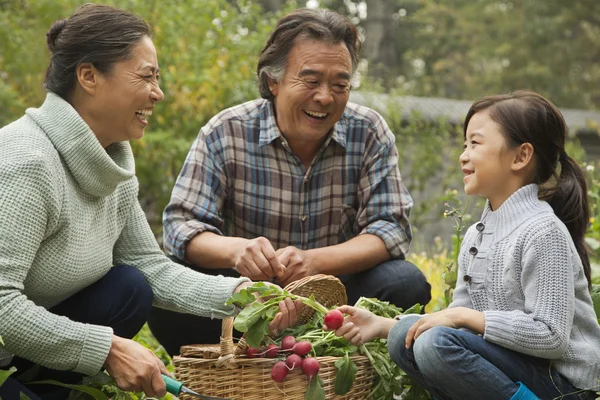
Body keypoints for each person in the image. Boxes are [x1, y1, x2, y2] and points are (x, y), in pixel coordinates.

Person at [0, 5, 301, 400]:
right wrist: (106, 348)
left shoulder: (109, 161)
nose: (158, 93)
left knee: (129, 286)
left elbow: (149, 266)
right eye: (146, 76)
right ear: (88, 76)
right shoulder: (26, 163)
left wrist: (243, 294)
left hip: (20, 348)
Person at [148, 7, 432, 356]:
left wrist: (313, 262)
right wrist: (238, 251)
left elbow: (391, 230)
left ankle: (334, 367)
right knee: (167, 288)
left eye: (340, 84)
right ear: (273, 81)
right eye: (310, 81)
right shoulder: (226, 131)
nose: (325, 97)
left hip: (335, 304)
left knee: (404, 281)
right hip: (243, 304)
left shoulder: (369, 132)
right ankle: (229, 371)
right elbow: (181, 227)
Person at [327, 90, 600, 399]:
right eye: (464, 144)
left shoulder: (543, 231)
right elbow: (457, 319)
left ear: (520, 156)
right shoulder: (477, 234)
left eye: (476, 143)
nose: (463, 155)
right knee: (403, 337)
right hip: (517, 368)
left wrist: (462, 318)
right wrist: (384, 325)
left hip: (563, 386)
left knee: (434, 344)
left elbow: (551, 337)